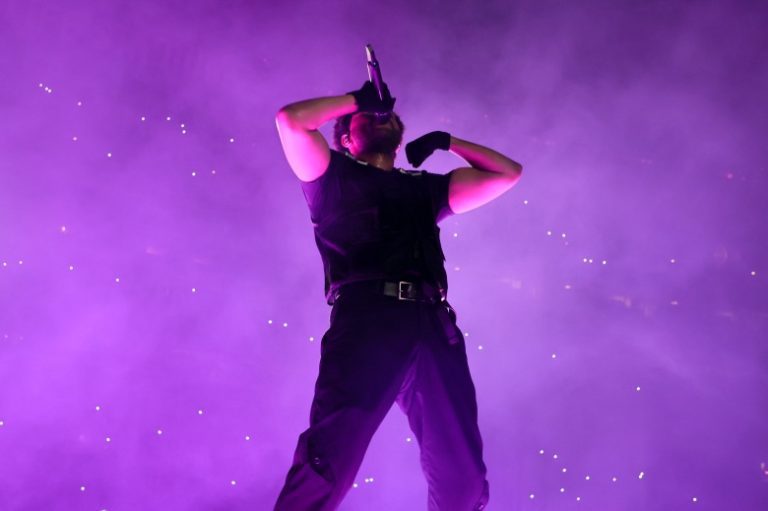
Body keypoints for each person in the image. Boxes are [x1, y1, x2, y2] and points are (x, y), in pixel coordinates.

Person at [273, 79, 522, 511]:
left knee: (462, 477)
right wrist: (356, 100)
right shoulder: (331, 176)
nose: (376, 115)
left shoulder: (423, 189)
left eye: (382, 113)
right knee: (331, 457)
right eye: (362, 117)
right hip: (368, 320)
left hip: (432, 323)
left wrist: (449, 142)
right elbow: (291, 121)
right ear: (347, 138)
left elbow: (507, 173)